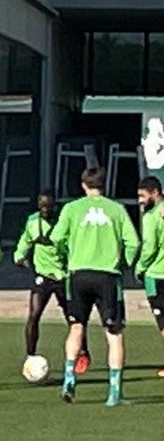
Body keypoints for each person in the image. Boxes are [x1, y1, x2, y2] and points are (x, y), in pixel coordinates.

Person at [53, 166, 140, 406]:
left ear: (83, 185)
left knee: (76, 328)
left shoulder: (71, 209)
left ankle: (69, 378)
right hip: (107, 276)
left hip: (78, 274)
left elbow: (56, 238)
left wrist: (66, 258)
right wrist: (124, 263)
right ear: (105, 184)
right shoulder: (117, 210)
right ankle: (114, 393)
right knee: (114, 333)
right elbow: (133, 242)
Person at [14, 190, 88, 371]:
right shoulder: (33, 222)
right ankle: (30, 356)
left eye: (48, 206)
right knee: (33, 315)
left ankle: (83, 352)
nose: (45, 209)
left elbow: (73, 246)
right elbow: (26, 240)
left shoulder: (63, 222)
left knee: (73, 318)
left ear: (54, 205)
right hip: (42, 276)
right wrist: (19, 255)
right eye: (42, 206)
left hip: (62, 276)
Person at [134, 177, 164, 377]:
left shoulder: (151, 217)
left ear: (154, 192)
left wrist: (139, 269)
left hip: (156, 274)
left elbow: (149, 248)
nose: (140, 201)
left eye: (142, 196)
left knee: (163, 322)